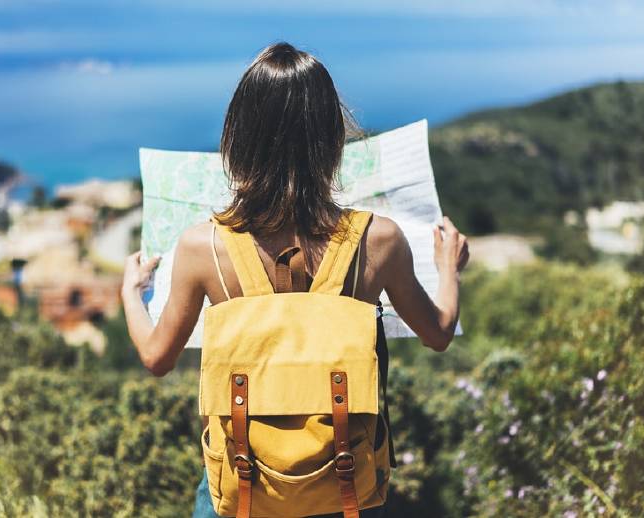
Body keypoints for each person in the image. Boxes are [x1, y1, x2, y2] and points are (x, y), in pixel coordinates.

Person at [122, 42, 468, 518]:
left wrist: (131, 292)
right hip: (345, 489)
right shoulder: (378, 240)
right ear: (331, 138)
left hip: (239, 492)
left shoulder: (204, 247)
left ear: (238, 138)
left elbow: (156, 357)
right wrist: (448, 267)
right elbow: (439, 332)